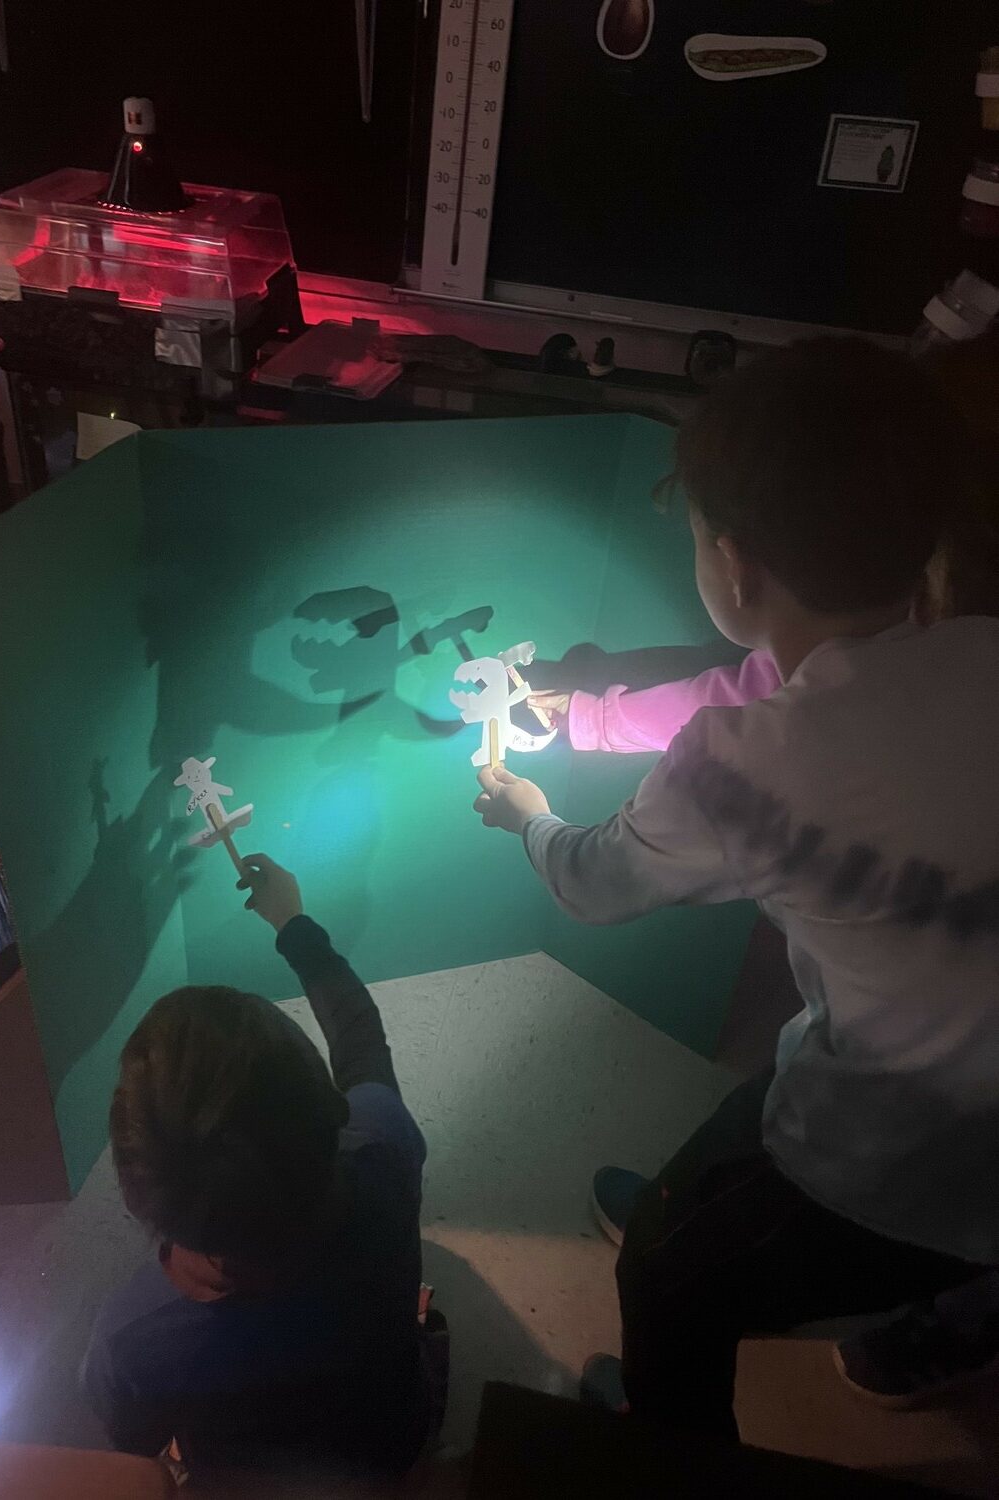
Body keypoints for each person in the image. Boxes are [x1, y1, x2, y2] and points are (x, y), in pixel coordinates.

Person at [472, 336, 999, 1441]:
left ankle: (672, 1447)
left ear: (734, 565)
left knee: (672, 1276)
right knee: (762, 1103)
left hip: (918, 1138)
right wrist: (590, 716)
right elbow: (767, 686)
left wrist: (528, 814)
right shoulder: (963, 642)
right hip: (946, 1042)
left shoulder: (739, 765)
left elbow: (594, 881)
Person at [81, 854, 431, 1483]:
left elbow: (134, 1454)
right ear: (329, 1110)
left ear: (142, 1193)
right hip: (392, 1441)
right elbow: (361, 1043)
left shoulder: (132, 1339)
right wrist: (294, 923)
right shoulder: (385, 1150)